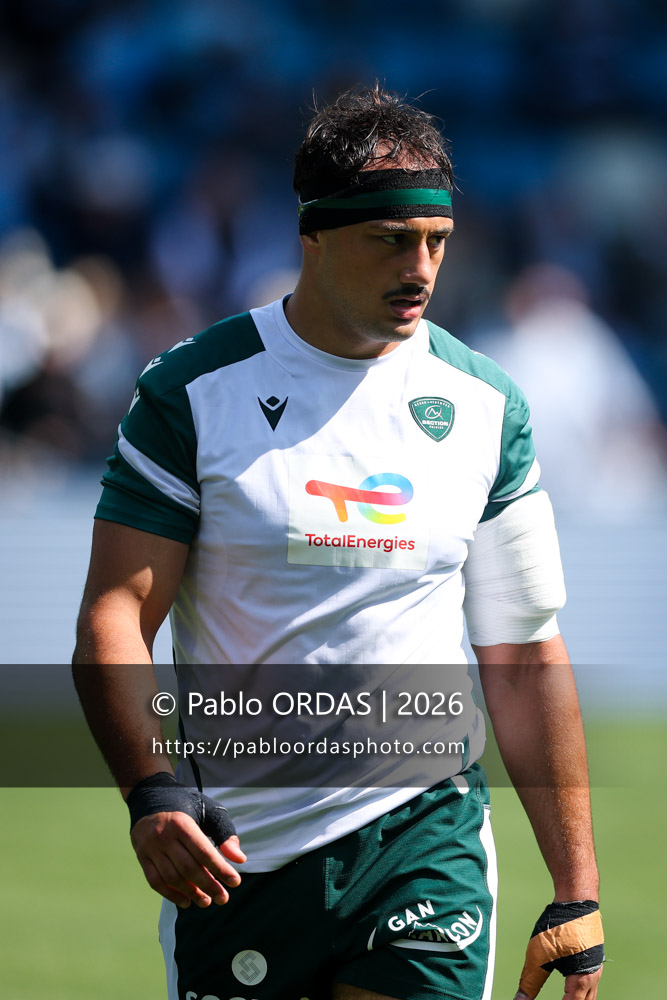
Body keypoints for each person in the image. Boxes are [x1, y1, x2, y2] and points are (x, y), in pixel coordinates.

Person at [73, 86, 604, 1000]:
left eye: (436, 241)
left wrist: (576, 891)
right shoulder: (194, 394)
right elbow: (116, 615)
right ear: (314, 234)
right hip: (238, 853)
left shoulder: (485, 407)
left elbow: (521, 654)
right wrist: (151, 791)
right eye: (390, 239)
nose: (421, 267)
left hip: (422, 835)